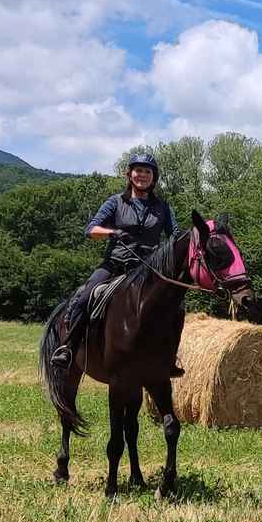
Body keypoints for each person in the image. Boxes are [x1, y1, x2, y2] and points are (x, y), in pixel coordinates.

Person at [51, 153, 178, 371]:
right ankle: (68, 347)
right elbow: (91, 229)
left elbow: (175, 236)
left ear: (154, 177)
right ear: (130, 174)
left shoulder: (162, 207)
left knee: (176, 306)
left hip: (147, 269)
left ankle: (168, 357)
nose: (143, 175)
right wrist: (112, 233)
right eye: (138, 170)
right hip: (115, 265)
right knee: (84, 297)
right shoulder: (115, 202)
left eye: (148, 171)